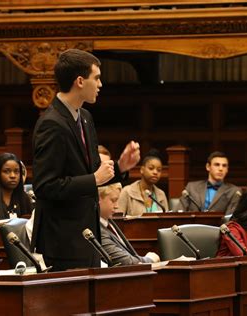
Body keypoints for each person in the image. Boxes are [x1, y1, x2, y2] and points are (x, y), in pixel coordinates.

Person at [32, 49, 140, 271]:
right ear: (80, 81)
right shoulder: (51, 123)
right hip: (63, 240)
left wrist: (120, 167)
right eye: (97, 78)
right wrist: (94, 178)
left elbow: (92, 174)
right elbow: (45, 186)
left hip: (88, 236)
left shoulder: (86, 118)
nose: (100, 84)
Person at [99, 183, 159, 265]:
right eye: (113, 200)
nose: (117, 206)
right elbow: (126, 262)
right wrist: (149, 259)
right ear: (97, 200)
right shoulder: (98, 229)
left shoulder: (109, 222)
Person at [118, 150, 168, 216]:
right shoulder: (127, 192)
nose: (155, 172)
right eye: (151, 168)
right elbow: (118, 219)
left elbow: (167, 219)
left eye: (159, 170)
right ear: (142, 170)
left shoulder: (161, 194)